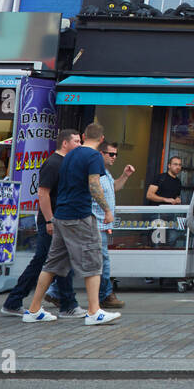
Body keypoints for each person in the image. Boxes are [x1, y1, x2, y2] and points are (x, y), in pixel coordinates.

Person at [22, 123, 121, 326]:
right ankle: (94, 312)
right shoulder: (93, 156)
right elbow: (94, 186)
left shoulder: (70, 155)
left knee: (52, 264)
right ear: (101, 140)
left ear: (83, 136)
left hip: (61, 215)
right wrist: (107, 211)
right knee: (93, 261)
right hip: (79, 215)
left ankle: (33, 309)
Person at [3, 130, 82, 317]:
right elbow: (42, 193)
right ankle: (15, 301)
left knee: (60, 262)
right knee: (44, 261)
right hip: (52, 221)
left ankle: (67, 304)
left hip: (60, 220)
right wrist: (49, 220)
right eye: (76, 141)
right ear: (65, 143)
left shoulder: (65, 163)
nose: (79, 144)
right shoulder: (53, 163)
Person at [95, 142, 134, 310]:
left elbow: (114, 187)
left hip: (101, 224)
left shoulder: (106, 173)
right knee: (103, 262)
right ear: (101, 153)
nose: (114, 157)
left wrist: (125, 175)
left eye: (115, 154)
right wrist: (106, 211)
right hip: (96, 222)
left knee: (80, 260)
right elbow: (95, 192)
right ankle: (105, 295)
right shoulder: (94, 171)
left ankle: (55, 291)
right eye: (111, 154)